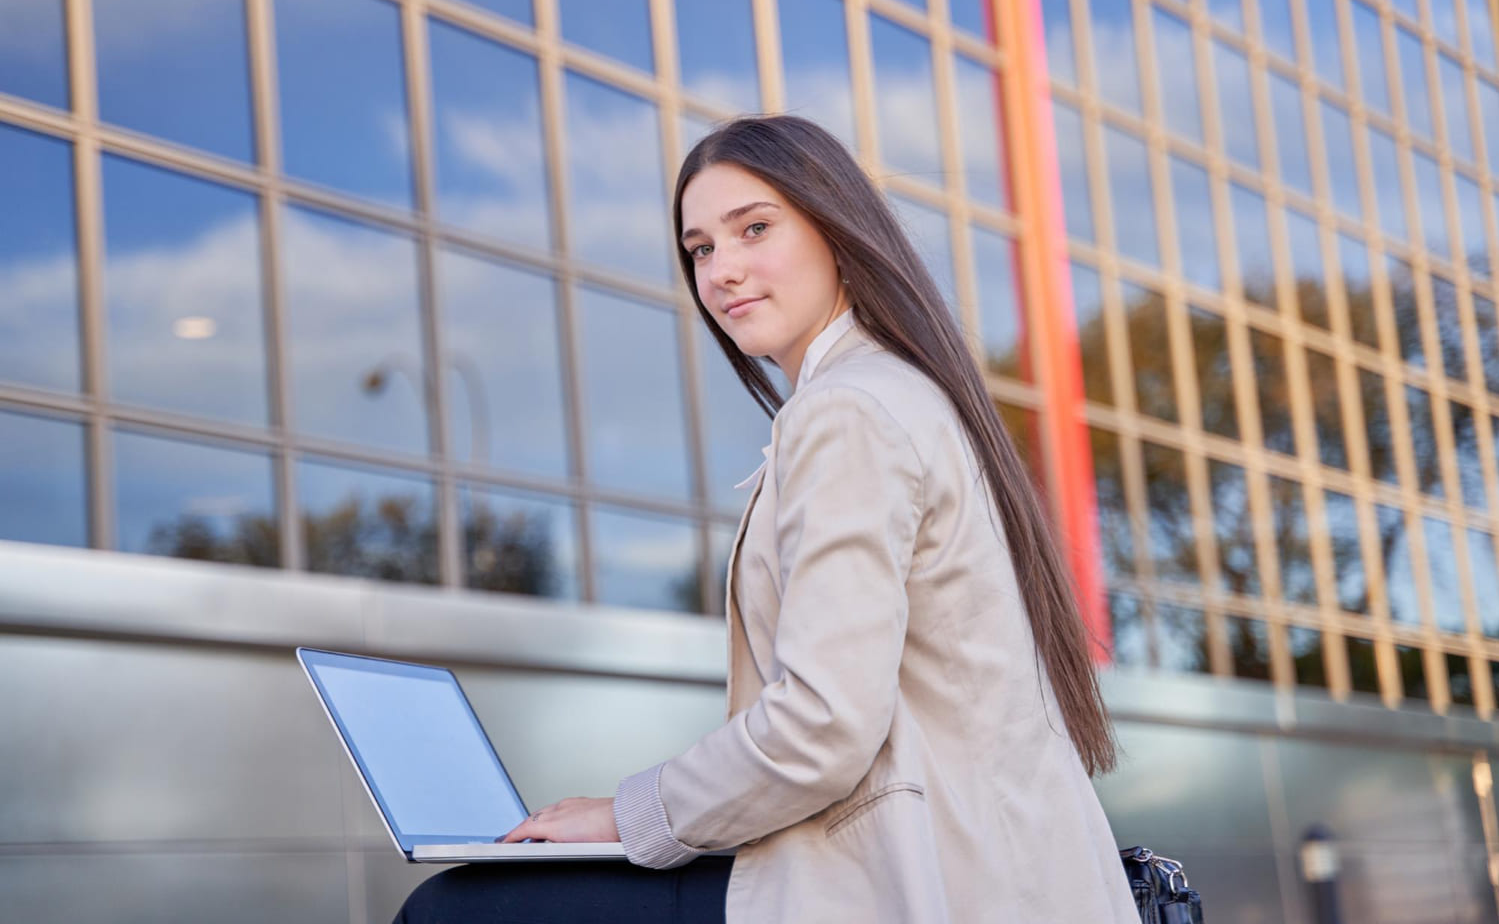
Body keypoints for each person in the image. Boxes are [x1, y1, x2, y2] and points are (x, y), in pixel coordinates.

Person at [395, 115, 1138, 923]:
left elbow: (822, 726)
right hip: (984, 873)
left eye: (754, 229)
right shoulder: (904, 393)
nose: (722, 271)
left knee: (455, 911)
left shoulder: (847, 411)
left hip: (921, 883)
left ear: (836, 229)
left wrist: (627, 815)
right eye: (701, 249)